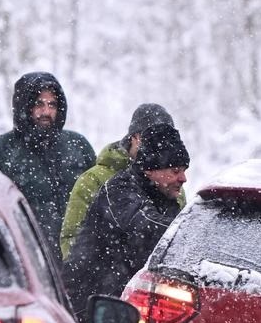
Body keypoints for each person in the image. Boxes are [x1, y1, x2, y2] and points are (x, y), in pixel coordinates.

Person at [64, 122, 189, 323]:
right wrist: (196, 232)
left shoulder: (165, 200)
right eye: (175, 170)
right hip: (89, 313)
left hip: (126, 312)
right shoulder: (119, 191)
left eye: (184, 171)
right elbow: (148, 227)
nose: (183, 178)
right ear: (151, 169)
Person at [0, 71, 95, 244]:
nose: (46, 111)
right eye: (39, 104)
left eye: (52, 105)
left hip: (78, 257)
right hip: (26, 259)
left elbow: (102, 201)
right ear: (23, 106)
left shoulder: (78, 146)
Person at [60, 102, 180, 258]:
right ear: (135, 138)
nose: (161, 147)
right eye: (155, 139)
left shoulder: (171, 183)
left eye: (166, 141)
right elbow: (71, 238)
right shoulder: (93, 180)